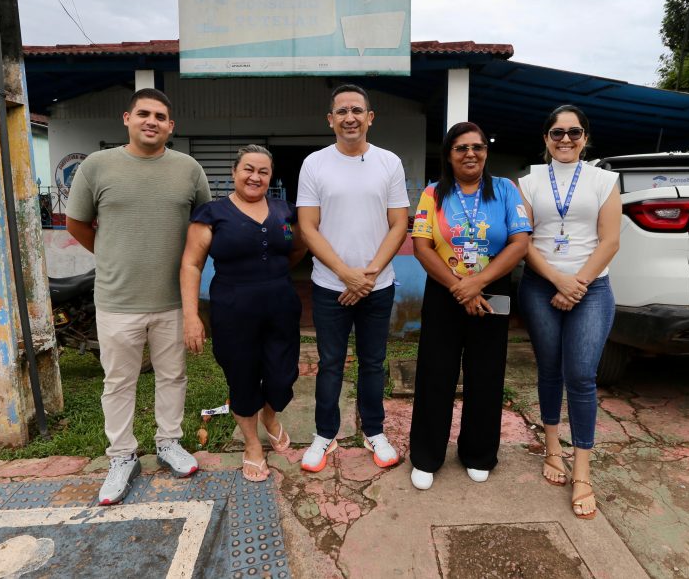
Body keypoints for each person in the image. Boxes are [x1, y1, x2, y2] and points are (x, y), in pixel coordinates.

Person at [66, 87, 211, 505]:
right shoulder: (98, 166)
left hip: (171, 299)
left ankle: (168, 442)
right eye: (144, 113)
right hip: (116, 300)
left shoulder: (188, 169)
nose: (152, 121)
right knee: (118, 382)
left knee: (172, 376)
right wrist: (111, 254)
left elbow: (202, 229)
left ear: (171, 126)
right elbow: (78, 224)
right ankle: (122, 456)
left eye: (161, 116)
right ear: (126, 118)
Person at [408, 122, 532, 490]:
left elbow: (520, 242)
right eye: (461, 148)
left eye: (477, 146)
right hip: (444, 290)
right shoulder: (433, 193)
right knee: (435, 374)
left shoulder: (506, 190)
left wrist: (477, 283)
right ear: (449, 154)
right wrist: (460, 286)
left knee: (486, 374)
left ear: (486, 152)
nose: (470, 154)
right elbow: (421, 245)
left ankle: (478, 453)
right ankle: (427, 456)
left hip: (491, 289)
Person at [297, 84, 410, 472]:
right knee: (330, 362)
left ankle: (374, 431)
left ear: (370, 118)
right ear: (330, 119)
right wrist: (346, 274)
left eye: (357, 110)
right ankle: (324, 434)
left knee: (373, 362)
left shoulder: (389, 163)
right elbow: (308, 227)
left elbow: (399, 224)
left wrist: (370, 273)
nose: (350, 117)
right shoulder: (315, 164)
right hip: (331, 287)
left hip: (378, 286)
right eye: (342, 111)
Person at [517, 104, 621, 520]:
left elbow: (610, 240)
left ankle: (582, 470)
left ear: (586, 138)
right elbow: (522, 239)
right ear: (545, 138)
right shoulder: (528, 181)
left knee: (580, 375)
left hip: (591, 287)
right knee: (549, 370)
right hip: (541, 284)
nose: (565, 140)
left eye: (574, 133)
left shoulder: (604, 180)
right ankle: (552, 447)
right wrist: (557, 282)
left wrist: (576, 283)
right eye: (557, 133)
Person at [180, 145, 307, 482]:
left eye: (263, 171)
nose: (255, 177)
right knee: (242, 377)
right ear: (235, 173)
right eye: (248, 169)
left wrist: (271, 277)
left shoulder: (285, 211)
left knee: (283, 375)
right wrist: (191, 316)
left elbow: (298, 248)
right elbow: (192, 264)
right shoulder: (212, 214)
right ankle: (252, 443)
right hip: (233, 310)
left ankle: (270, 416)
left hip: (281, 305)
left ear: (271, 176)